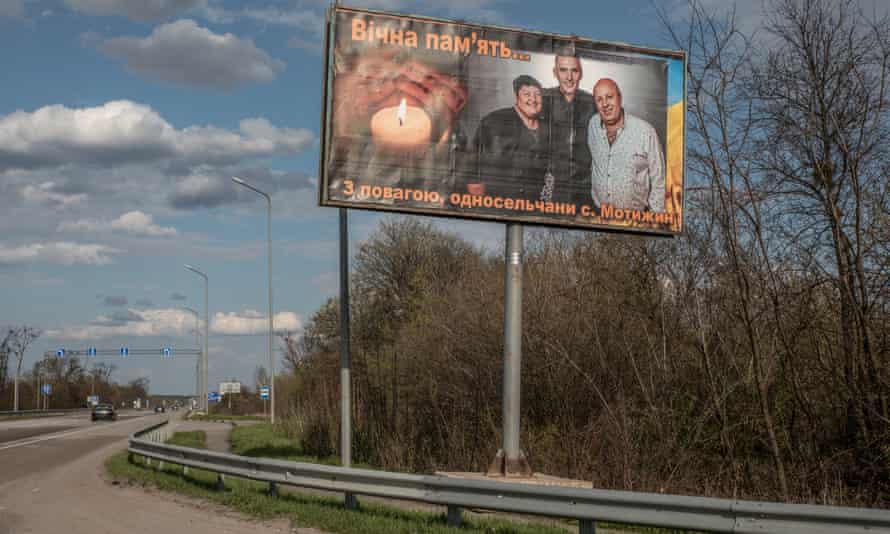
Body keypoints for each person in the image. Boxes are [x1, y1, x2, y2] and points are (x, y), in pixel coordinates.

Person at [462, 75, 551, 202]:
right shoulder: (494, 121)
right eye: (527, 94)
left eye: (537, 94)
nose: (533, 99)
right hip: (498, 205)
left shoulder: (549, 130)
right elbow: (472, 167)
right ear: (516, 96)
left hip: (533, 207)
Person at [588, 78, 665, 212]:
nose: (605, 104)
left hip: (635, 221)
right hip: (599, 217)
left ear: (620, 98)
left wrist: (654, 220)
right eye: (599, 100)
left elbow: (659, 179)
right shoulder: (593, 125)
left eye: (609, 97)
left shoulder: (645, 131)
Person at [541, 48, 595, 205]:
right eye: (563, 70)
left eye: (574, 71)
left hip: (585, 187)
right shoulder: (542, 99)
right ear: (555, 72)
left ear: (581, 74)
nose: (569, 77)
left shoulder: (594, 103)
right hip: (550, 184)